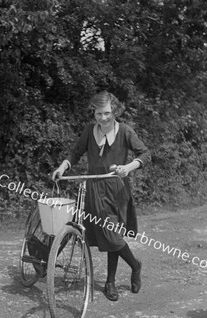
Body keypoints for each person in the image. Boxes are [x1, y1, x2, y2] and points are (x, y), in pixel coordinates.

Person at [52, 91, 151, 301]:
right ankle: (113, 280)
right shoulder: (90, 131)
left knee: (113, 236)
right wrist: (62, 167)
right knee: (108, 237)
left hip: (116, 191)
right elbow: (75, 152)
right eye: (98, 113)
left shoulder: (125, 131)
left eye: (106, 113)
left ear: (114, 110)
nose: (103, 118)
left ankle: (130, 269)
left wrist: (128, 167)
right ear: (94, 113)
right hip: (94, 191)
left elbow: (145, 154)